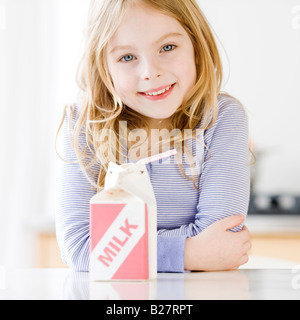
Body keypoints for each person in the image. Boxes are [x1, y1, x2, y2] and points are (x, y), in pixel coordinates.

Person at [56, 0, 252, 273]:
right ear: (104, 67)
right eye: (127, 57)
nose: (150, 72)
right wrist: (189, 252)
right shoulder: (83, 123)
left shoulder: (222, 118)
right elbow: (79, 247)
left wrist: (118, 248)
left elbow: (221, 236)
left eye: (167, 48)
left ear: (197, 45)